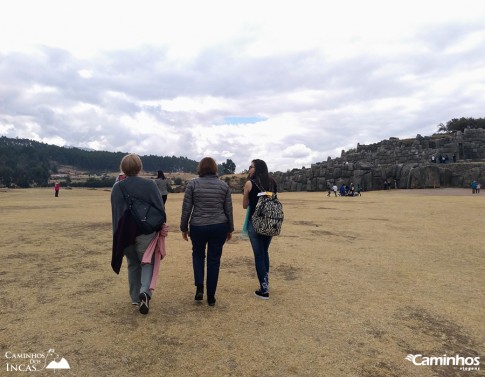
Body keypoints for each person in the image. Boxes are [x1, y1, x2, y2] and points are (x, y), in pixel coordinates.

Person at [111, 154, 167, 315]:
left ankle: (135, 297)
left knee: (132, 263)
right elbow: (159, 208)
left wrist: (117, 235)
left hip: (125, 233)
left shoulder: (117, 187)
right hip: (146, 231)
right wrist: (160, 227)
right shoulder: (150, 185)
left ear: (122, 169)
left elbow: (115, 213)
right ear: (139, 168)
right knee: (147, 262)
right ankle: (145, 292)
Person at [180, 157, 234, 306]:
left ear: (200, 168)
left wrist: (183, 227)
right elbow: (228, 209)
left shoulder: (193, 184)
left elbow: (187, 208)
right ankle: (211, 296)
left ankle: (199, 287)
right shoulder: (223, 186)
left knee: (198, 255)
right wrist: (230, 228)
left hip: (198, 225)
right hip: (219, 225)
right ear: (215, 168)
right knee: (214, 260)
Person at [243, 159, 277, 300]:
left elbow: (245, 205)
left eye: (251, 167)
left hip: (255, 222)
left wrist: (247, 194)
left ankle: (264, 289)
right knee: (264, 252)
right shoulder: (272, 182)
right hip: (269, 221)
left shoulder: (250, 183)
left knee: (259, 254)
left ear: (256, 169)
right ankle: (265, 283)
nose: (249, 169)